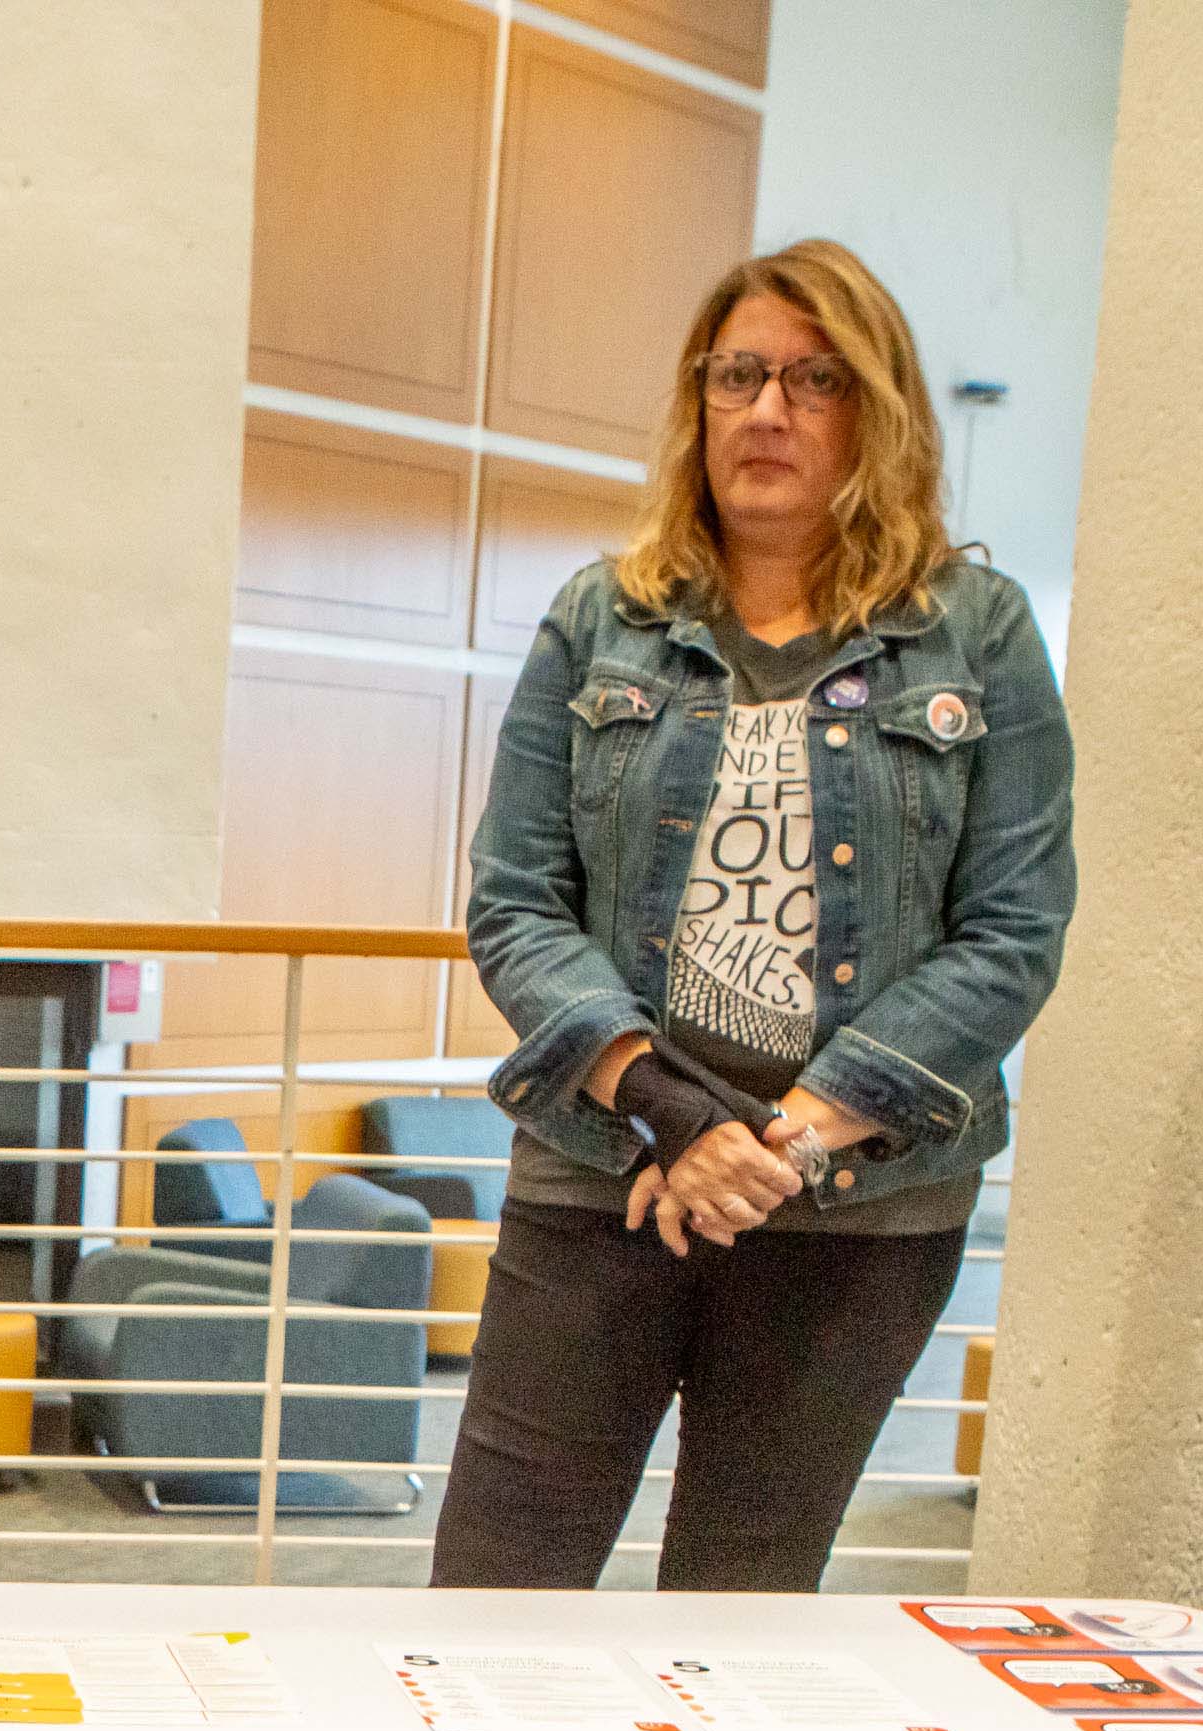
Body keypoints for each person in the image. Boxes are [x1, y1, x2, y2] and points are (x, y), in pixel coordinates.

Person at [437, 237, 1074, 1592]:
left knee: (738, 1609)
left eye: (812, 380)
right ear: (698, 403)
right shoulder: (600, 619)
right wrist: (673, 1110)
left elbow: (1013, 929)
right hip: (605, 1164)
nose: (767, 410)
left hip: (859, 1202)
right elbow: (514, 898)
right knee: (497, 1588)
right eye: (739, 375)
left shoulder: (982, 632)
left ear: (879, 413)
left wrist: (784, 1137)